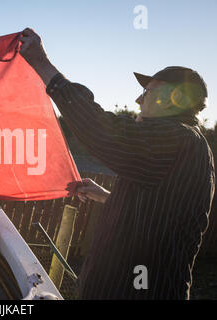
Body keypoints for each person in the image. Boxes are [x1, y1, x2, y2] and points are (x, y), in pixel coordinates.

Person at [19, 28, 215, 299]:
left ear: (176, 99)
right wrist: (106, 196)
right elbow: (160, 216)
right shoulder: (182, 145)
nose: (138, 99)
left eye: (147, 91)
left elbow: (101, 130)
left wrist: (42, 64)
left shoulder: (178, 139)